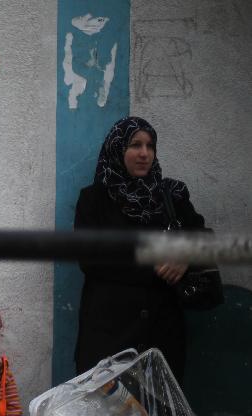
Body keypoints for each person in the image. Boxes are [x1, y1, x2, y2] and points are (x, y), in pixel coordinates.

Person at [74, 116, 206, 382]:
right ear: (117, 149)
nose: (144, 153)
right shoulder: (94, 199)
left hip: (161, 335)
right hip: (109, 336)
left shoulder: (172, 197)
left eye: (150, 146)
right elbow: (90, 259)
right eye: (135, 145)